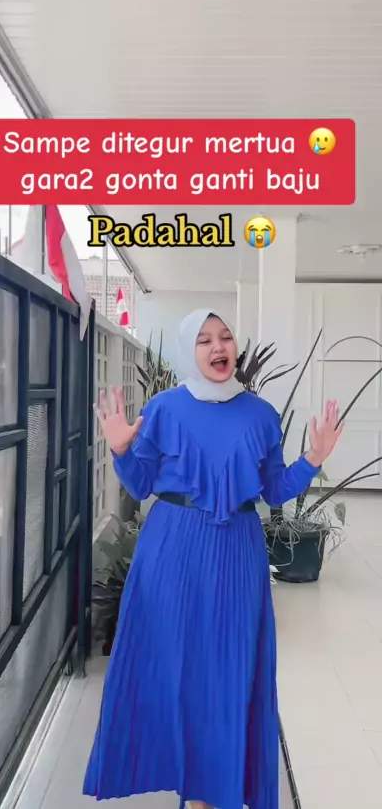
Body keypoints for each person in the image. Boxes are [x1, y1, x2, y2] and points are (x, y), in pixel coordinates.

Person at [83, 309, 344, 809]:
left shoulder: (261, 414)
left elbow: (273, 490)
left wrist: (313, 458)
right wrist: (120, 450)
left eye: (225, 337)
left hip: (236, 552)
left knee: (228, 666)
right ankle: (187, 780)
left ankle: (211, 790)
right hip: (171, 550)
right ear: (190, 350)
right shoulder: (163, 408)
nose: (217, 346)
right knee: (170, 665)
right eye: (204, 340)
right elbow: (140, 484)